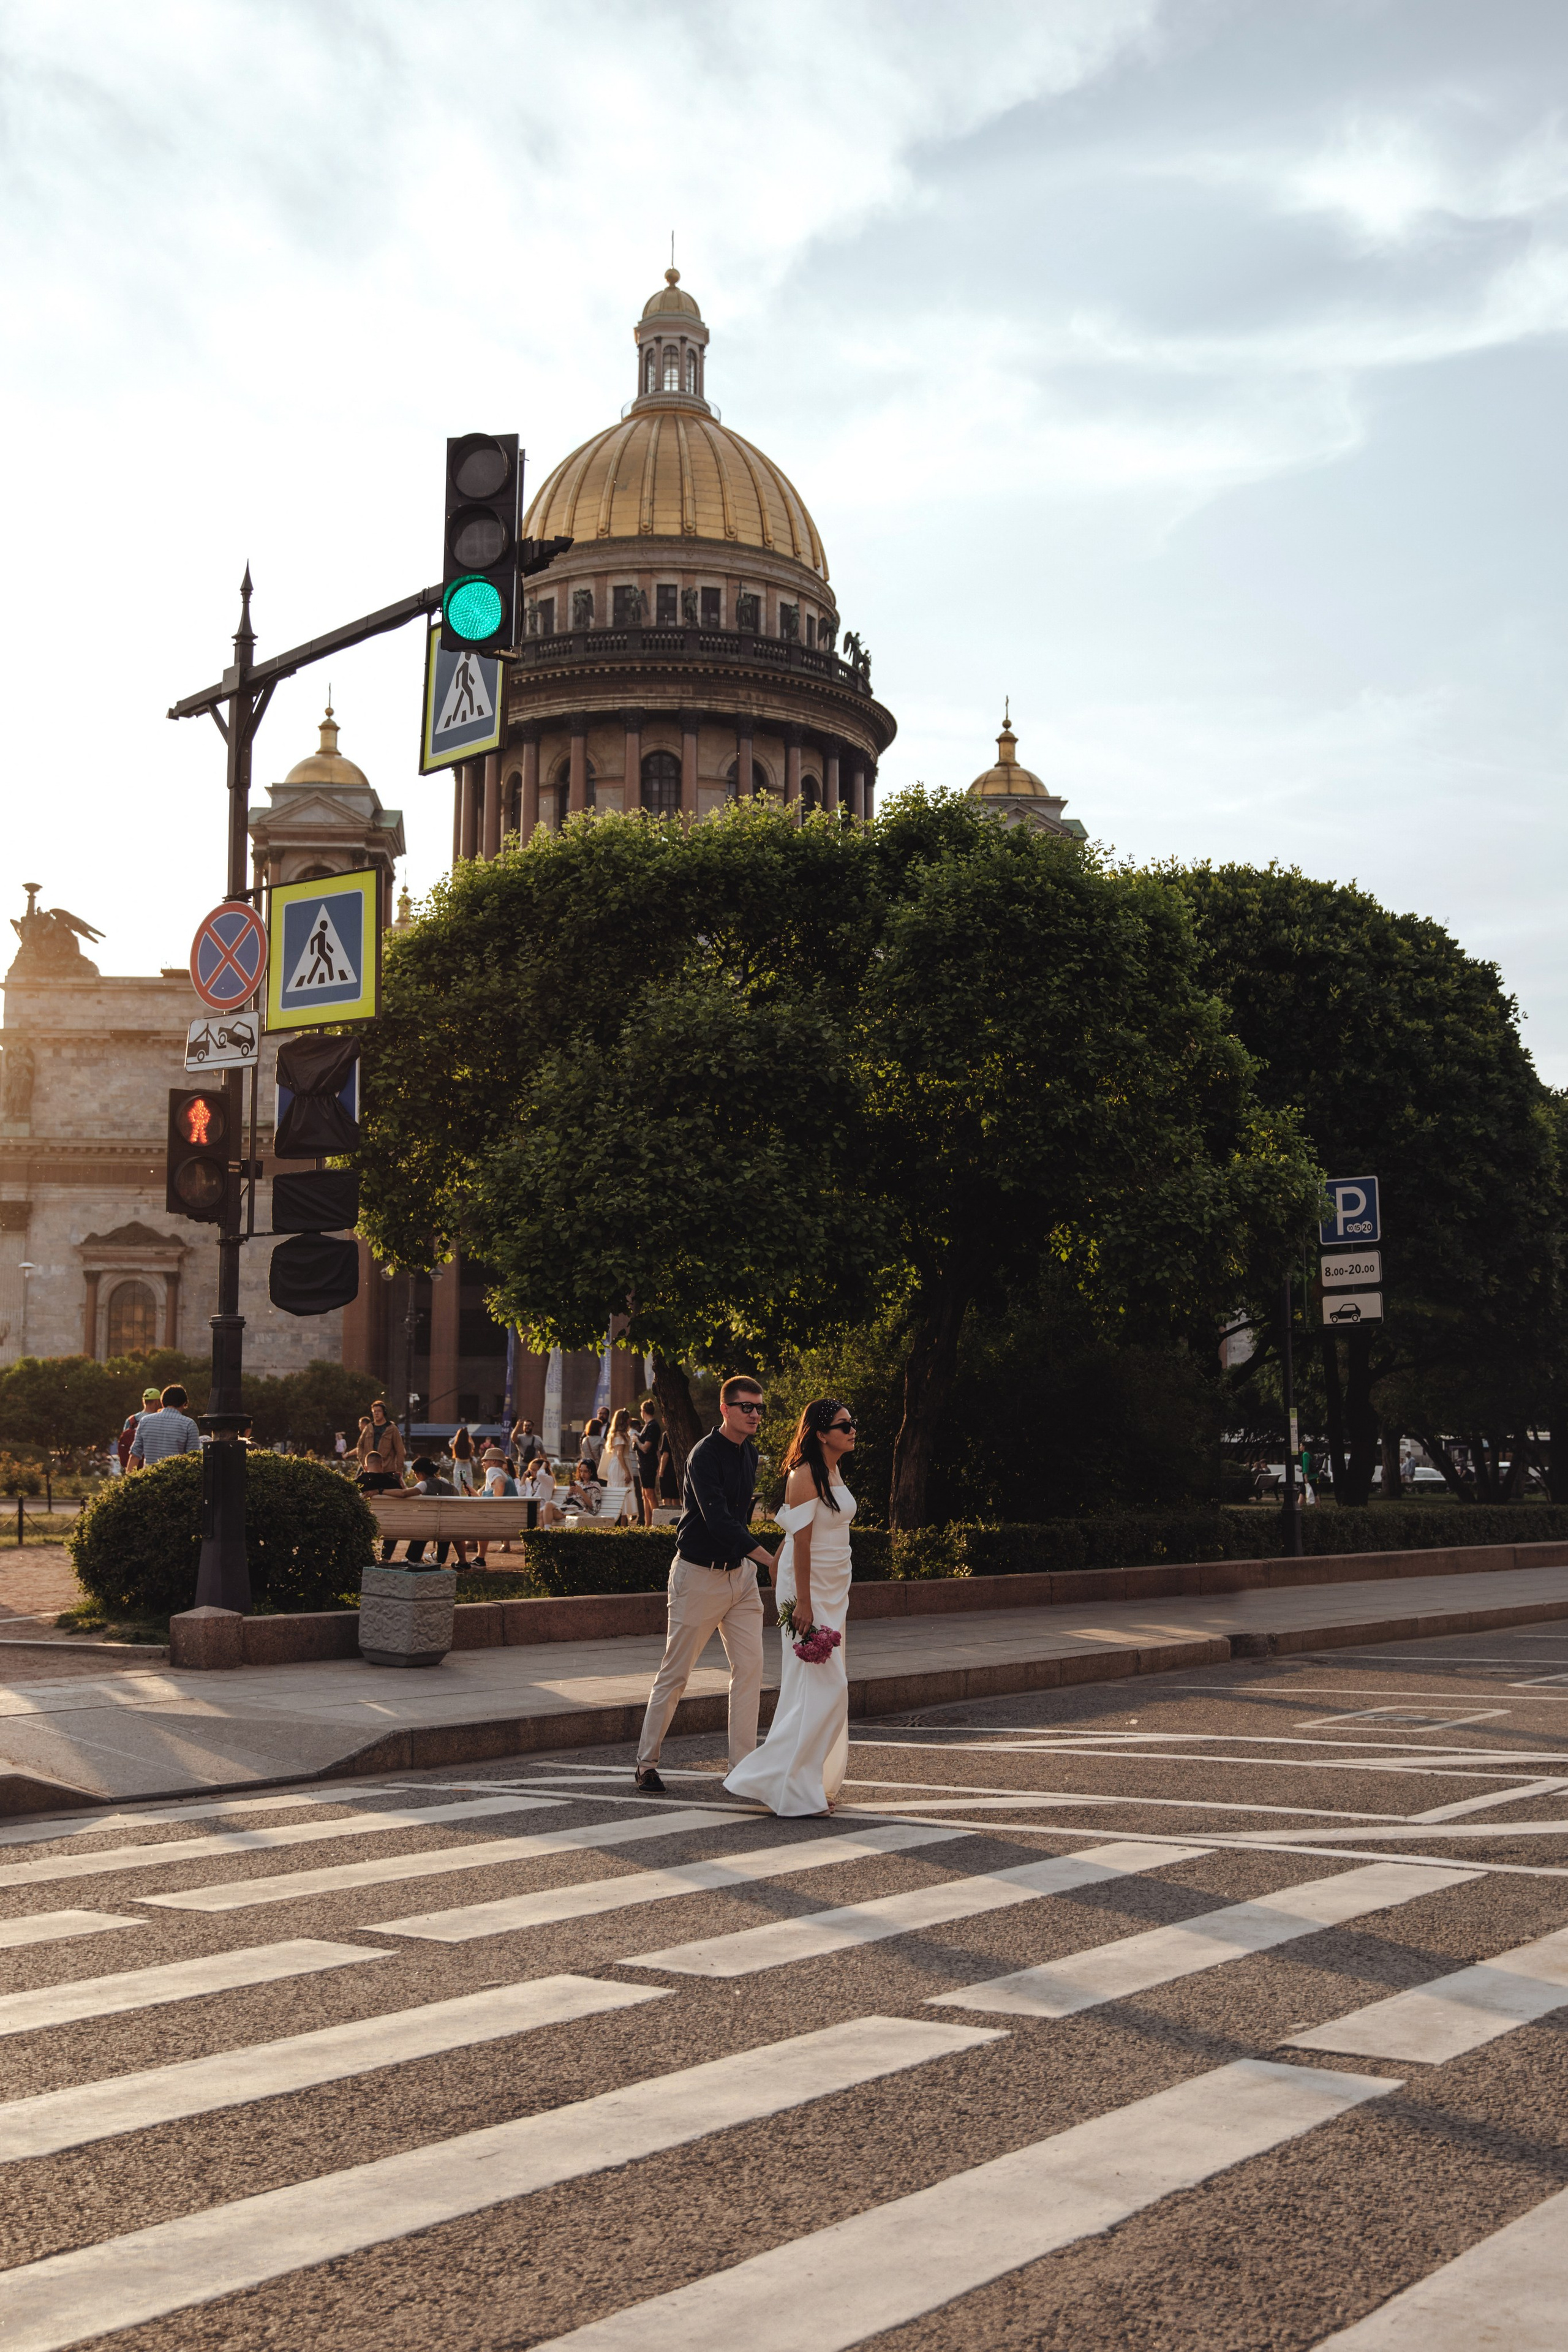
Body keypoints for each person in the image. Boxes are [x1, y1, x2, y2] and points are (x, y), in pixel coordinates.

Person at [634, 1376, 777, 1795]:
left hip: (741, 1580)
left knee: (750, 1670)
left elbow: (741, 1521)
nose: (754, 1414)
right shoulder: (704, 1455)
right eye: (746, 1406)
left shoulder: (749, 1454)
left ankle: (742, 1770)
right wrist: (770, 1559)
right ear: (725, 1409)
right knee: (676, 1674)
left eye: (759, 1407)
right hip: (698, 1576)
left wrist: (755, 1563)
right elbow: (717, 1521)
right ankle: (646, 1764)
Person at [725, 1400, 857, 1817]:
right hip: (809, 1592)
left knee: (819, 1689)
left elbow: (794, 1532)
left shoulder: (833, 1471)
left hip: (834, 1589)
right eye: (844, 1425)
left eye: (853, 1424)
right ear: (821, 1433)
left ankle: (807, 1783)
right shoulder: (804, 1475)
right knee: (824, 1687)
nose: (853, 1430)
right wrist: (801, 1601)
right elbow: (801, 1543)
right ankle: (789, 1788)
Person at [356, 1400, 407, 1561]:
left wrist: (398, 1470)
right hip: (370, 1469)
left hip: (388, 1470)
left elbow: (400, 1450)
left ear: (384, 1412)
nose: (376, 1413)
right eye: (374, 1411)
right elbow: (360, 1445)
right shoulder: (369, 1428)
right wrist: (364, 1462)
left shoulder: (392, 1429)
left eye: (378, 1411)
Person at [128, 1384, 203, 1469]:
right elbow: (193, 1458)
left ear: (162, 1402)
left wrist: (130, 1480)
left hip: (150, 1478)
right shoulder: (189, 1424)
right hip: (176, 1478)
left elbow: (135, 1454)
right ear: (184, 1404)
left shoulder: (145, 1421)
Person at [401, 1457, 458, 1565]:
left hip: (427, 1527)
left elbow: (404, 1494)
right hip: (445, 1527)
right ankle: (440, 1558)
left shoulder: (424, 1484)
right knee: (441, 1526)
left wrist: (382, 1490)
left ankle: (414, 1559)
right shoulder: (446, 1484)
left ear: (421, 1473)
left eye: (415, 1473)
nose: (415, 1476)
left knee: (423, 1525)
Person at [598, 1407, 636, 1525]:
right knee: (622, 1494)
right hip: (621, 1466)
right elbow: (620, 1454)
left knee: (620, 1492)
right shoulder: (621, 1435)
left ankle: (620, 1524)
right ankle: (622, 1525)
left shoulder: (615, 1434)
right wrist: (627, 1472)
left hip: (616, 1465)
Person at [118, 1387, 162, 1472]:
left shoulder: (132, 1420)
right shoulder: (159, 1419)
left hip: (133, 1463)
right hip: (153, 1463)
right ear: (157, 1402)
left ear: (144, 1401)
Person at [633, 1400, 663, 1526]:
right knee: (645, 1494)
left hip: (649, 1463)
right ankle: (647, 1523)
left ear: (643, 1411)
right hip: (643, 1463)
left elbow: (646, 1447)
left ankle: (657, 1523)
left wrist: (636, 1440)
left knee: (650, 1494)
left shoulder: (653, 1426)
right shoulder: (647, 1425)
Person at [449, 1423, 477, 1494]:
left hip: (459, 1467)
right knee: (469, 1486)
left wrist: (457, 1436)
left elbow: (450, 1443)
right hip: (467, 1466)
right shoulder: (470, 1446)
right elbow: (474, 1445)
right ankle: (471, 1501)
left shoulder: (456, 1447)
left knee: (458, 1486)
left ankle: (458, 1502)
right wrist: (469, 1437)